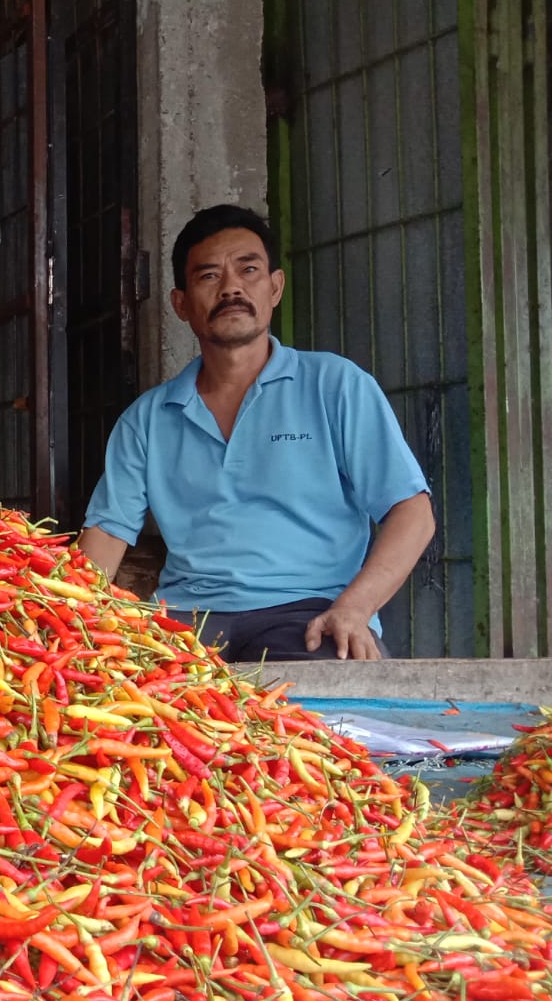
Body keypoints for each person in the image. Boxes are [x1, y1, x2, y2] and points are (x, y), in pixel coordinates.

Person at [77, 204, 434, 662]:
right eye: (209, 276)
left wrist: (354, 608)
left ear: (275, 287)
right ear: (180, 303)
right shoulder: (146, 419)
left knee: (322, 690)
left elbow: (412, 512)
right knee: (110, 688)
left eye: (248, 270)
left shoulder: (335, 385)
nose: (231, 288)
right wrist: (71, 622)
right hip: (185, 621)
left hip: (310, 613)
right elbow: (105, 537)